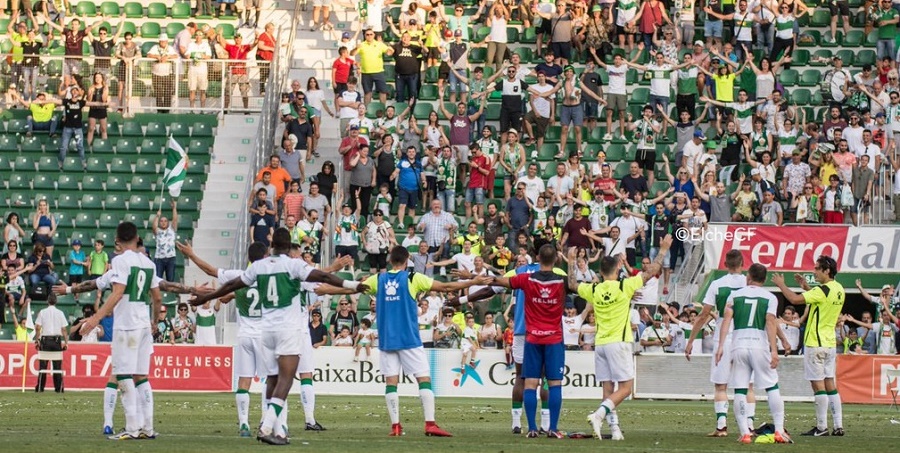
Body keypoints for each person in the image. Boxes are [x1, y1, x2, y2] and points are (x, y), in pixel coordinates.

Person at [190, 229, 364, 445]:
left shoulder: (260, 268)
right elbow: (323, 277)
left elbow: (232, 285)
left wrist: (206, 296)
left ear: (272, 245)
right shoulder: (293, 265)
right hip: (288, 330)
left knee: (271, 379)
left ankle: (278, 430)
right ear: (289, 246)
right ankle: (266, 427)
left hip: (265, 332)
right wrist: (351, 284)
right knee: (286, 379)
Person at [317, 245, 491, 436]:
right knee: (423, 379)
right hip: (408, 338)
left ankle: (396, 426)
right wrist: (472, 281)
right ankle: (430, 424)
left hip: (387, 340)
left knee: (391, 382)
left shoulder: (379, 279)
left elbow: (353, 289)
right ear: (408, 260)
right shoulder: (412, 278)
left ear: (390, 260)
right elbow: (446, 286)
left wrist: (327, 290)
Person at [577, 234, 672, 441]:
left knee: (608, 388)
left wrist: (569, 262)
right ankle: (599, 414)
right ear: (618, 269)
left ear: (600, 272)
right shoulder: (624, 286)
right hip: (618, 343)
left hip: (600, 344)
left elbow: (572, 284)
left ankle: (615, 430)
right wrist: (663, 249)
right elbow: (652, 272)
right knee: (626, 388)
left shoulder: (594, 288)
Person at [78, 222, 162, 440]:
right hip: (144, 324)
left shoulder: (120, 261)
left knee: (123, 375)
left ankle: (132, 428)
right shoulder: (148, 262)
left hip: (127, 325)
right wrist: (154, 321)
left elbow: (117, 293)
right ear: (136, 237)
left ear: (118, 238)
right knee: (142, 376)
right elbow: (158, 297)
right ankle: (148, 428)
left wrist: (95, 318)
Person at [487, 245, 567, 438]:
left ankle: (531, 428)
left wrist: (478, 276)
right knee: (554, 383)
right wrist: (571, 262)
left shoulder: (526, 279)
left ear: (537, 258)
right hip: (554, 338)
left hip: (532, 337)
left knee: (529, 383)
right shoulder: (562, 281)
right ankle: (552, 429)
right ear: (556, 259)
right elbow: (581, 286)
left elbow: (500, 281)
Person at [715, 263, 791, 444]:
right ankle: (779, 430)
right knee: (772, 386)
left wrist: (720, 346)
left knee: (740, 389)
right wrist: (774, 349)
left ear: (748, 276)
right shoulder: (770, 297)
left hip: (739, 345)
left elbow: (726, 321)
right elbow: (770, 322)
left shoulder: (735, 295)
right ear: (764, 279)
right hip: (759, 346)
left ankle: (745, 433)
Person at [772, 255, 846, 437]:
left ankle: (821, 427)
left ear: (826, 271)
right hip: (829, 343)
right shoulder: (839, 289)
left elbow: (795, 300)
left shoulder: (822, 291)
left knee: (818, 385)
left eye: (817, 268)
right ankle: (838, 425)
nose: (814, 271)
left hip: (815, 342)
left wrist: (781, 284)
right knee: (830, 384)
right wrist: (805, 286)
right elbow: (820, 299)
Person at [684, 249, 751, 436]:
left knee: (721, 385)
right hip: (747, 338)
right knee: (747, 386)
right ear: (742, 263)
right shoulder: (750, 284)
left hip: (724, 338)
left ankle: (722, 427)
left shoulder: (717, 284)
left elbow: (704, 315)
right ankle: (749, 425)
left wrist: (690, 341)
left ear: (725, 264)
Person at [34, 293, 68, 393]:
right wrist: (66, 342)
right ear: (56, 301)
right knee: (57, 366)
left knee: (43, 366)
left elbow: (37, 327)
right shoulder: (60, 313)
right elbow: (64, 329)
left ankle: (40, 387)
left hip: (45, 340)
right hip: (57, 340)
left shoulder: (42, 312)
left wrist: (37, 340)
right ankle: (59, 388)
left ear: (47, 301)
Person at [152, 200, 178, 282]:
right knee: (157, 280)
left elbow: (175, 219)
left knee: (170, 280)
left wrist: (174, 208)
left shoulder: (172, 229)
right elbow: (154, 226)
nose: (163, 222)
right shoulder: (158, 231)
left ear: (168, 222)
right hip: (159, 258)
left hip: (170, 258)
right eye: (161, 221)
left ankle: (170, 295)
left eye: (165, 221)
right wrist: (157, 216)